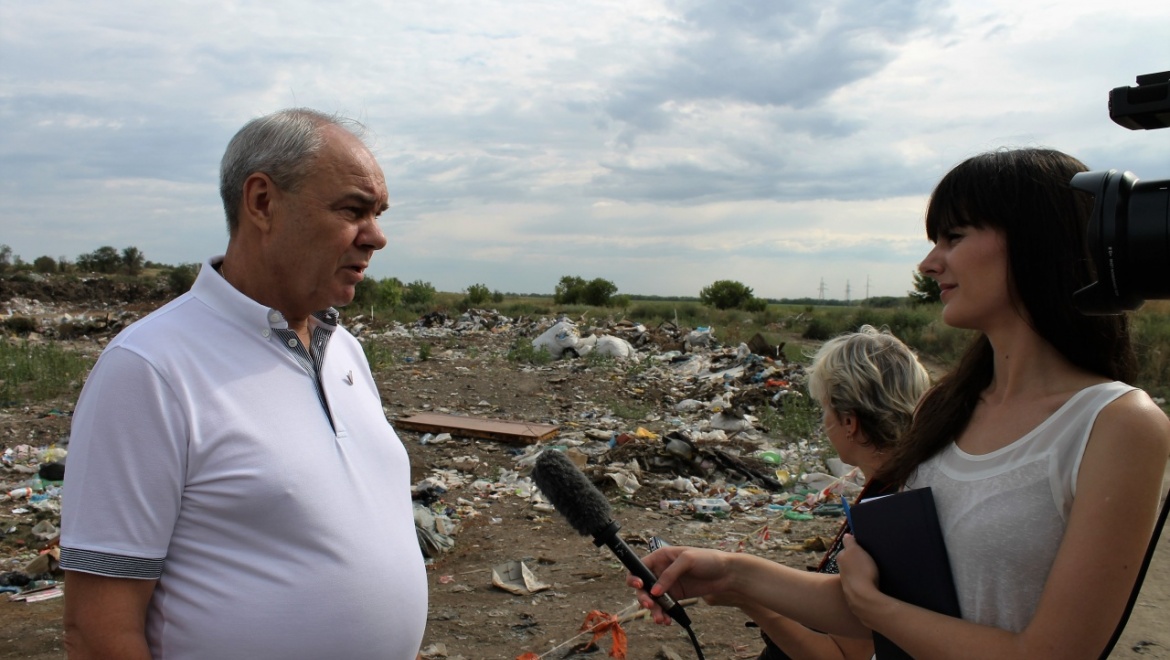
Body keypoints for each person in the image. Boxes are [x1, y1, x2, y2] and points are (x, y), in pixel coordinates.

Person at [630, 148, 1170, 658]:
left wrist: (875, 606)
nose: (929, 263)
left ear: (1039, 243)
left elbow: (1049, 654)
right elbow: (881, 609)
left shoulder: (1115, 424)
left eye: (953, 237)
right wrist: (730, 572)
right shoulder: (945, 407)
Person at [59, 109, 428, 660]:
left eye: (377, 214)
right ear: (261, 203)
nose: (376, 236)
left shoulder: (344, 349)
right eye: (353, 210)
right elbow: (98, 630)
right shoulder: (150, 366)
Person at [714, 325, 929, 660]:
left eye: (825, 408)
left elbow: (840, 655)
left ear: (848, 421)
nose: (824, 420)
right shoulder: (907, 487)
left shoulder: (889, 516)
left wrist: (747, 596)